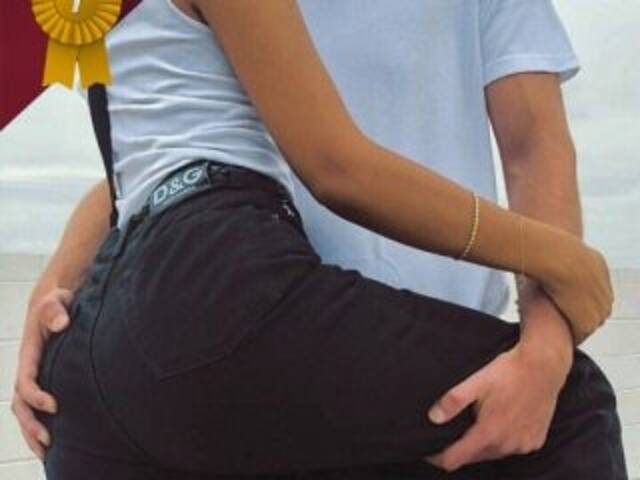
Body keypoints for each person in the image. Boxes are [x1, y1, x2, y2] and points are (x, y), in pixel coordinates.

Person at [11, 1, 626, 479]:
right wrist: (57, 282)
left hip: (418, 371)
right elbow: (161, 159)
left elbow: (533, 148)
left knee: (568, 404)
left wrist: (547, 348)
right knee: (581, 410)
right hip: (270, 353)